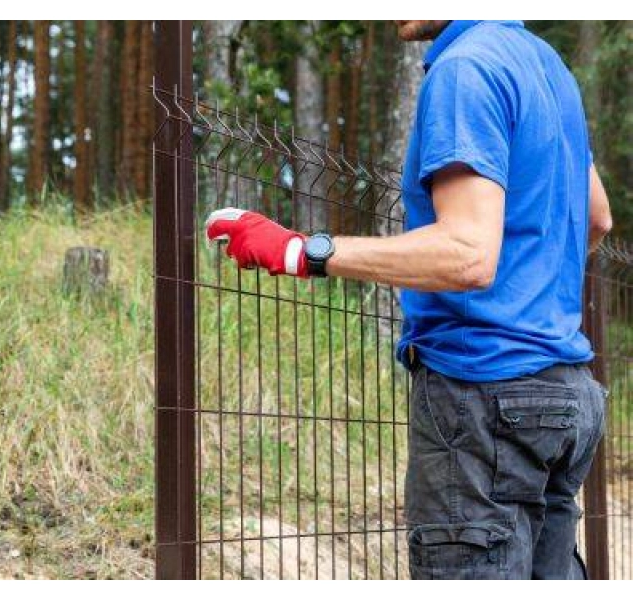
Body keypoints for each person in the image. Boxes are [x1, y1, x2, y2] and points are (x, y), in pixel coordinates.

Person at [204, 20, 613, 579]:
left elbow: (468, 254)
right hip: (565, 393)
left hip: (484, 392)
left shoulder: (465, 67)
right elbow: (597, 218)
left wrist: (300, 251)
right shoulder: (549, 69)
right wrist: (529, 287)